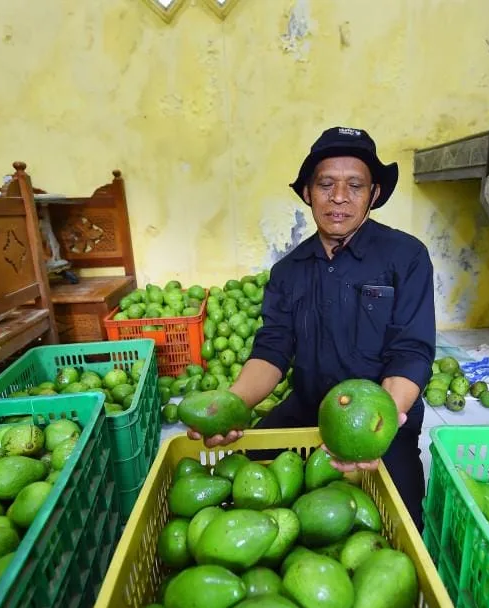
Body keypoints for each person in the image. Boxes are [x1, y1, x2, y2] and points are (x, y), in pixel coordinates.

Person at [187, 126, 436, 530]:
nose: (339, 197)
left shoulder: (406, 256)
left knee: (401, 523)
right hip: (308, 409)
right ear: (307, 192)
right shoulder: (289, 271)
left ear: (373, 195)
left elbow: (412, 350)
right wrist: (232, 405)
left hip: (382, 415)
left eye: (355, 185)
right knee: (245, 484)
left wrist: (380, 422)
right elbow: (272, 349)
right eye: (326, 184)